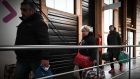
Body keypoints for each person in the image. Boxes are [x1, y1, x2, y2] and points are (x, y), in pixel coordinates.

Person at [14, 1, 51, 79]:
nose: (22, 12)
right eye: (21, 9)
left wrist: (45, 58)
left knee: (43, 77)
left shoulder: (39, 23)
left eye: (24, 10)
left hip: (35, 59)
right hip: (22, 59)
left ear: (32, 11)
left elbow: (45, 41)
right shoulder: (22, 24)